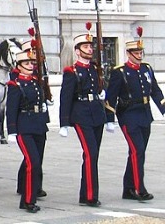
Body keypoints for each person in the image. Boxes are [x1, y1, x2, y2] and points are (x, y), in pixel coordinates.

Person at [105, 27, 165, 202]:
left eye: (141, 51)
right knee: (138, 150)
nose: (140, 55)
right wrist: (109, 119)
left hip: (144, 114)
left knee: (136, 152)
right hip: (128, 115)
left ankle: (128, 188)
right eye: (136, 52)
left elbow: (155, 91)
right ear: (129, 53)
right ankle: (138, 188)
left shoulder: (146, 69)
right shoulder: (119, 72)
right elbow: (111, 96)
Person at [58, 24, 112, 207]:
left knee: (93, 155)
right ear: (78, 51)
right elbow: (65, 99)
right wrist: (64, 123)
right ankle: (90, 196)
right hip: (81, 115)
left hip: (97, 114)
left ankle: (85, 193)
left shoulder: (95, 69)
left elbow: (101, 87)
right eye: (86, 47)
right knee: (91, 153)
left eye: (91, 46)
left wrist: (103, 94)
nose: (90, 49)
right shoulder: (71, 72)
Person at [6, 47, 49, 214]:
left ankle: (27, 194)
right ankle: (28, 201)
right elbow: (11, 109)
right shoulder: (15, 85)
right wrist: (11, 131)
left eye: (32, 62)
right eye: (26, 63)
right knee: (33, 162)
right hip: (24, 127)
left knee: (36, 161)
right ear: (19, 65)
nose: (31, 65)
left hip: (39, 125)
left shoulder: (36, 81)